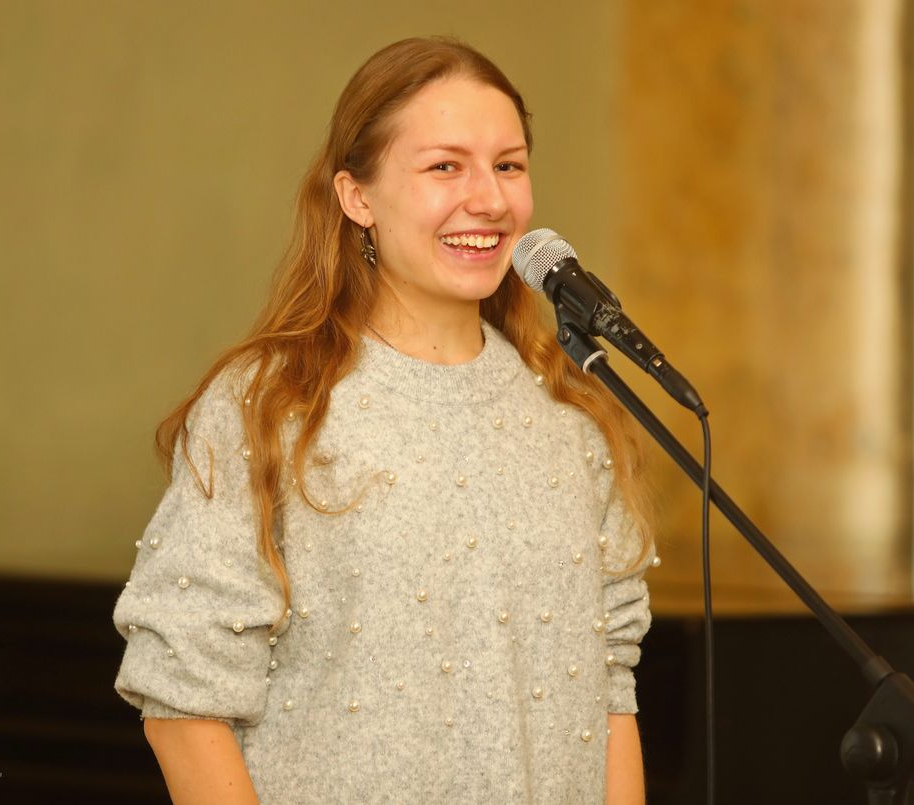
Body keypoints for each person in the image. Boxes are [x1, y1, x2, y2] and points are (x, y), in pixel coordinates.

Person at [112, 36, 656, 804]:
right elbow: (184, 703)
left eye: (508, 165)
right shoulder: (270, 406)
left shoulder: (570, 412)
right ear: (356, 197)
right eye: (445, 167)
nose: (490, 199)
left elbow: (609, 687)